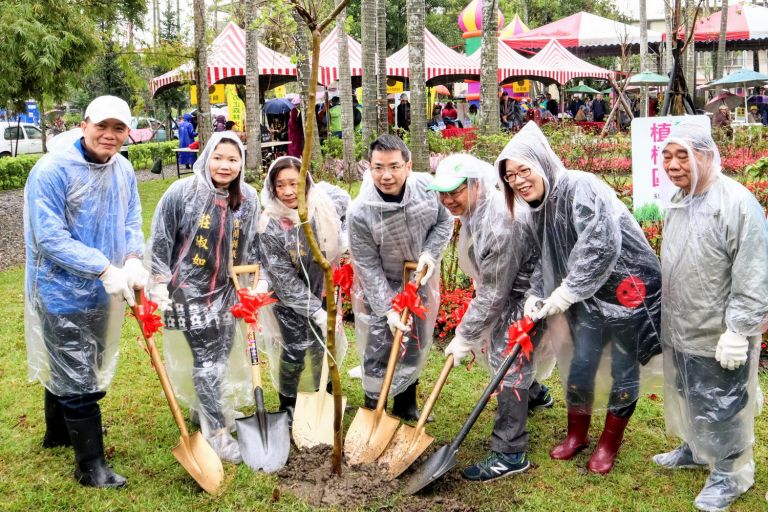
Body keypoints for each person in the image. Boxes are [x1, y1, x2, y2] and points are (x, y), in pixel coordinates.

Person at [498, 121, 662, 475]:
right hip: (585, 291)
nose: (518, 180)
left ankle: (608, 443)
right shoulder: (537, 209)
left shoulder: (580, 186)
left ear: (541, 162)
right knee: (579, 359)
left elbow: (600, 246)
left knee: (623, 365)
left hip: (628, 286)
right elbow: (547, 258)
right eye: (510, 176)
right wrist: (536, 294)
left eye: (524, 169)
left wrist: (567, 291)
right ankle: (578, 434)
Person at [24, 95, 147, 488]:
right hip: (61, 289)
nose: (110, 136)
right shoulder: (52, 171)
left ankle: (59, 432)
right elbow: (49, 238)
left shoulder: (123, 169)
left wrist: (131, 258)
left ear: (128, 133)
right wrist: (102, 267)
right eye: (102, 126)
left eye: (119, 129)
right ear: (83, 125)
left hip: (106, 288)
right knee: (79, 374)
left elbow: (131, 218)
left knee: (80, 364)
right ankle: (90, 466)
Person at [654, 123, 768, 512]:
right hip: (683, 326)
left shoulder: (736, 202)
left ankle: (730, 474)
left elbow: (754, 272)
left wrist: (739, 330)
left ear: (706, 155)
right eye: (667, 156)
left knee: (723, 405)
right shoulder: (679, 199)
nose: (673, 165)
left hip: (720, 334)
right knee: (689, 394)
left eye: (683, 155)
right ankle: (694, 447)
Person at [433, 154, 554, 481]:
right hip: (513, 290)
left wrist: (464, 335)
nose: (447, 200)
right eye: (441, 193)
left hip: (529, 296)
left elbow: (493, 293)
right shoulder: (478, 207)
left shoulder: (500, 222)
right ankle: (536, 394)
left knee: (508, 361)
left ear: (475, 185)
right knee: (509, 355)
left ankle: (510, 452)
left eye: (454, 192)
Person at [148, 132, 261, 464]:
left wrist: (254, 284)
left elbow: (251, 246)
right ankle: (216, 434)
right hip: (187, 291)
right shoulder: (181, 193)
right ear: (206, 157)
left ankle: (206, 410)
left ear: (241, 163)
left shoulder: (249, 198)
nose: (224, 166)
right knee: (207, 360)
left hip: (227, 292)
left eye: (232, 159)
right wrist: (158, 284)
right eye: (218, 157)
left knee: (220, 357)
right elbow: (160, 241)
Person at [347, 134, 453, 420]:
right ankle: (373, 406)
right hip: (379, 282)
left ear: (408, 165)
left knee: (414, 342)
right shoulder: (360, 211)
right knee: (379, 344)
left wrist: (430, 254)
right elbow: (366, 265)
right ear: (369, 167)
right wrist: (388, 308)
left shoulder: (429, 191)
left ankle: (406, 403)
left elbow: (445, 221)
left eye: (394, 166)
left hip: (418, 279)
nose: (386, 175)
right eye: (378, 167)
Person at [257, 156, 349, 418]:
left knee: (323, 346)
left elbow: (350, 204)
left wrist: (342, 237)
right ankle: (288, 402)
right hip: (287, 300)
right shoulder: (271, 224)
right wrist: (315, 311)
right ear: (272, 187)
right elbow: (283, 279)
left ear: (306, 182)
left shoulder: (323, 205)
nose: (287, 192)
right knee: (293, 349)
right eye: (280, 185)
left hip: (323, 289)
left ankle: (327, 393)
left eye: (294, 183)